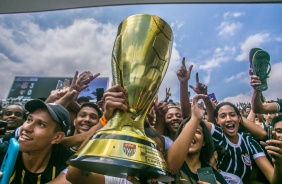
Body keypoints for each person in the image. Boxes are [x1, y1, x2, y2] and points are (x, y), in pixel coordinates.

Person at [0, 99, 73, 183]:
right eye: (29, 120)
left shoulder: (67, 164)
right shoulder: (4, 152)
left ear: (57, 137)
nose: (26, 128)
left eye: (41, 124)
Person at [166, 94, 227, 184]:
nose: (191, 135)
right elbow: (169, 168)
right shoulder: (172, 164)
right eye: (188, 132)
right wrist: (195, 118)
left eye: (197, 132)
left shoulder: (213, 176)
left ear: (204, 142)